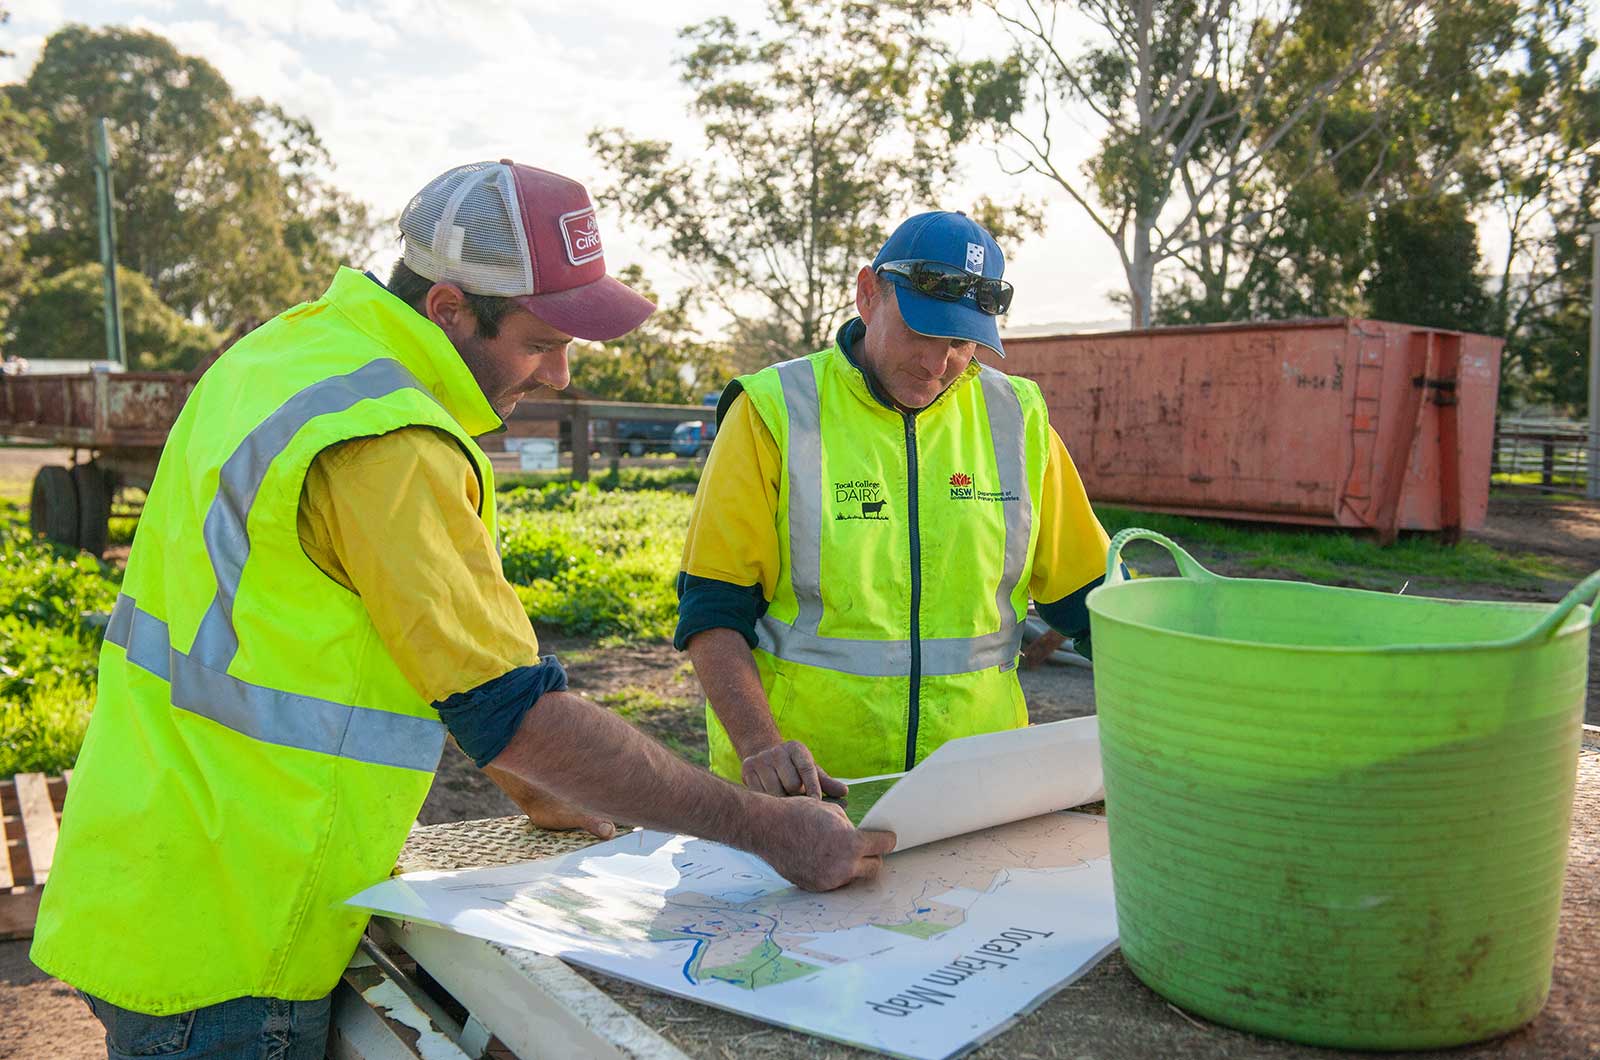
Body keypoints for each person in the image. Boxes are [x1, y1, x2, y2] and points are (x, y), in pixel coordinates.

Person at [31, 160, 893, 1059]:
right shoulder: (383, 439)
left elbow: (418, 649)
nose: (559, 375)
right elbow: (510, 710)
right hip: (239, 925)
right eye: (539, 341)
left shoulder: (290, 350)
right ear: (447, 309)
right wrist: (761, 830)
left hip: (144, 867)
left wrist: (540, 788)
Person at [676, 210, 1112, 797]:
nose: (937, 365)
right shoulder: (775, 411)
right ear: (867, 294)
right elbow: (712, 610)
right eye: (920, 333)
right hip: (806, 792)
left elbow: (1093, 602)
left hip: (972, 788)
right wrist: (761, 747)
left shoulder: (1018, 419)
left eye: (960, 343)